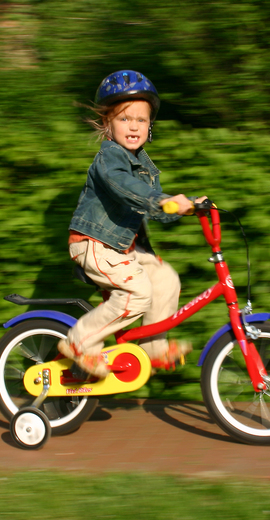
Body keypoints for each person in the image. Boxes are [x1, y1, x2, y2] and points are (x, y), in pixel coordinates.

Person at [57, 70, 200, 378]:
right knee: (137, 293)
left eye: (141, 120)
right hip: (94, 243)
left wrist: (185, 207)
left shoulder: (144, 169)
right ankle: (80, 342)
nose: (133, 126)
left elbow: (154, 205)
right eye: (124, 119)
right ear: (107, 124)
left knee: (165, 279)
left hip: (120, 248)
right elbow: (125, 187)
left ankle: (153, 346)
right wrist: (159, 200)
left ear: (150, 127)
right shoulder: (110, 159)